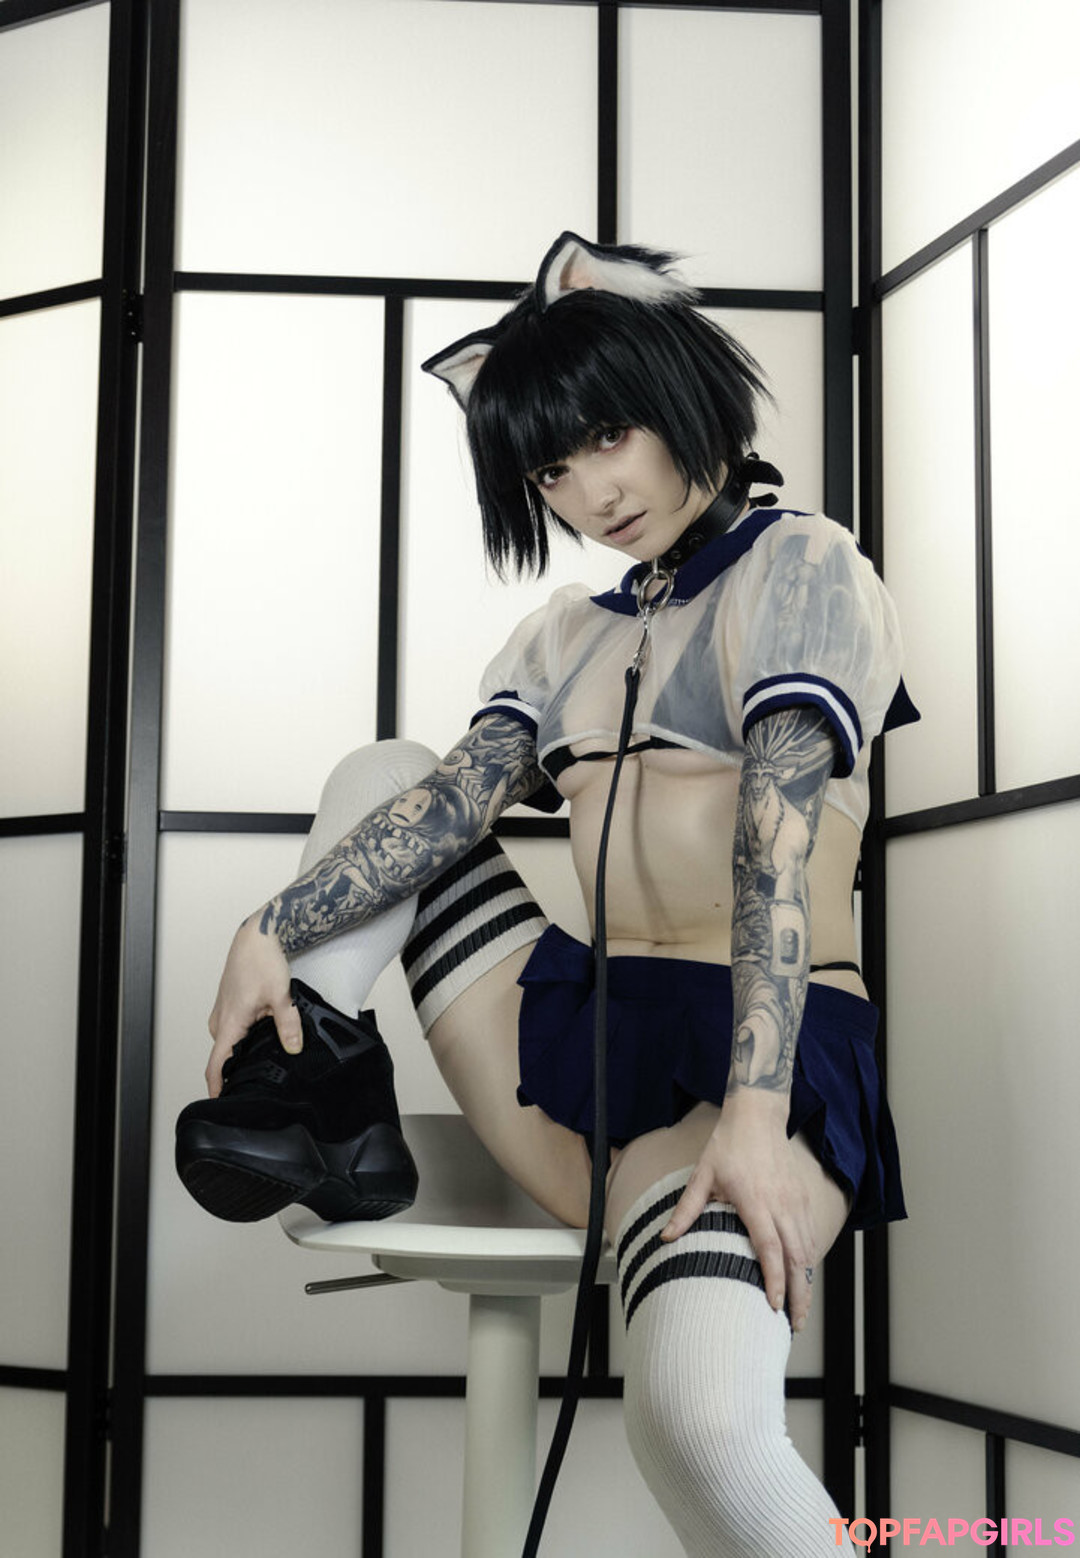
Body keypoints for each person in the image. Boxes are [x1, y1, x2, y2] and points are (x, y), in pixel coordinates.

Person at [176, 231, 916, 1556]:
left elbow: (776, 834)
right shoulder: (566, 636)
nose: (590, 491)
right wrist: (267, 928)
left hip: (745, 1073)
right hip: (574, 1047)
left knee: (702, 1425)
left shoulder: (805, 570)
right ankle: (319, 1100)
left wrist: (757, 1117)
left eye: (609, 435)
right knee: (388, 771)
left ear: (681, 393)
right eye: (551, 469)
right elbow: (450, 807)